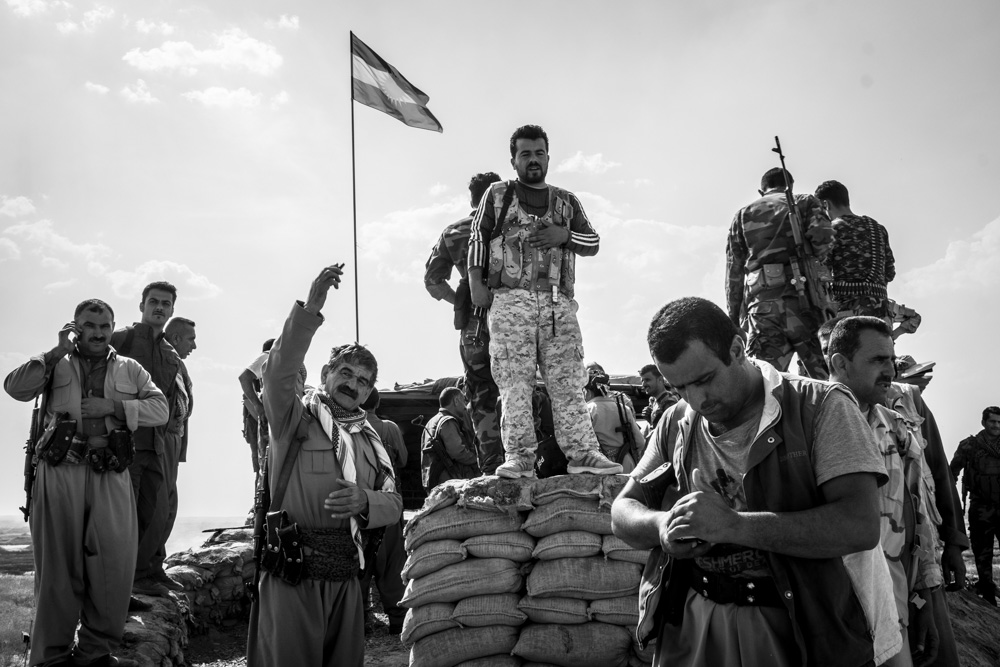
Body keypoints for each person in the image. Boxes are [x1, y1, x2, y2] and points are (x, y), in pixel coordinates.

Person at [611, 296, 894, 667]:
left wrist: (735, 527)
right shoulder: (676, 421)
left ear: (737, 348)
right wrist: (663, 525)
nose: (696, 400)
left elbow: (859, 526)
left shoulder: (820, 406)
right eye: (679, 388)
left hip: (800, 627)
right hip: (697, 622)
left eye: (705, 380)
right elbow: (622, 510)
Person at [246, 264, 402, 667]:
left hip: (346, 580)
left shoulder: (370, 440)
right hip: (293, 574)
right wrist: (310, 309)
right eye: (345, 373)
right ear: (325, 374)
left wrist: (365, 501)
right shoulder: (293, 420)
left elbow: (394, 503)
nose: (353, 384)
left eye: (363, 381)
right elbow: (278, 372)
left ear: (369, 392)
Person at [4, 298, 168, 667]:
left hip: (110, 470)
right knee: (58, 568)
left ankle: (95, 652)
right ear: (75, 327)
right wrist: (55, 351)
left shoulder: (130, 368)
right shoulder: (54, 363)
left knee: (114, 565)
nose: (98, 333)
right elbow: (15, 387)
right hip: (60, 471)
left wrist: (115, 407)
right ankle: (51, 657)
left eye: (104, 326)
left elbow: (161, 409)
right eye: (89, 325)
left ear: (112, 328)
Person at [467, 124, 621, 479]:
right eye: (525, 154)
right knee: (514, 384)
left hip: (557, 303)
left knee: (568, 382)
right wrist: (476, 283)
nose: (533, 160)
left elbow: (593, 242)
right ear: (514, 160)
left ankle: (583, 454)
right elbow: (478, 237)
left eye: (539, 153)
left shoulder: (567, 201)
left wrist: (564, 235)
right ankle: (520, 457)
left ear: (548, 157)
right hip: (511, 301)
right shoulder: (497, 195)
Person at [827, 316, 944, 665]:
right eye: (878, 360)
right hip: (829, 614)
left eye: (892, 360)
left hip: (893, 609)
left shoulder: (896, 428)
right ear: (840, 364)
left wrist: (924, 599)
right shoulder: (806, 423)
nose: (891, 371)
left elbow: (917, 519)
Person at [424, 171, 504, 474]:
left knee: (481, 394)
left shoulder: (454, 232)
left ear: (471, 200)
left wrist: (463, 300)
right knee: (521, 388)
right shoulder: (514, 226)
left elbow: (432, 281)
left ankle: (492, 466)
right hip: (516, 319)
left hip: (475, 324)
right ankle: (522, 461)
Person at [726, 167, 835, 379]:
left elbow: (734, 272)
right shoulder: (804, 202)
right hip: (804, 302)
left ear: (762, 191)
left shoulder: (742, 215)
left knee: (764, 382)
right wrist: (813, 256)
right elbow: (824, 238)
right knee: (827, 380)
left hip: (763, 309)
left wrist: (733, 320)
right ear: (790, 186)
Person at [109, 281, 182, 597]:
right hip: (122, 445)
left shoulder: (170, 354)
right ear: (142, 305)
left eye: (166, 304)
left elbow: (167, 404)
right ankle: (118, 589)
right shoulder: (120, 339)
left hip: (156, 446)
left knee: (152, 514)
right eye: (154, 301)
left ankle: (146, 574)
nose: (159, 308)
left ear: (172, 310)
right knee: (122, 520)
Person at [152, 316, 196, 596]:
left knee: (168, 505)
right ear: (176, 338)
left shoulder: (176, 361)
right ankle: (147, 572)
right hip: (161, 439)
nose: (194, 345)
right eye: (191, 339)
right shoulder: (163, 358)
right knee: (159, 508)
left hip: (172, 440)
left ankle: (155, 567)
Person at [359, 387, 407, 637]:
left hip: (360, 507)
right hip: (387, 506)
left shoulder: (346, 426)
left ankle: (359, 622)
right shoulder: (389, 428)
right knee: (392, 565)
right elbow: (404, 460)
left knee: (360, 566)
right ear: (377, 405)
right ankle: (397, 620)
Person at [814, 180, 896, 321]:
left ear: (826, 204)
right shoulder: (878, 228)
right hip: (881, 312)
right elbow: (889, 273)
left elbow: (822, 274)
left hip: (849, 313)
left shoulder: (831, 230)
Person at [950, 406, 1000, 606]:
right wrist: (950, 501)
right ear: (983, 422)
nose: (996, 425)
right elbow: (952, 473)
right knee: (982, 553)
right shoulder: (969, 446)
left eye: (999, 422)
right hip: (981, 508)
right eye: (992, 421)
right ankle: (988, 595)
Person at [584, 363, 644, 474]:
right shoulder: (624, 408)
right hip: (626, 463)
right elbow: (640, 442)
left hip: (599, 466)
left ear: (587, 390)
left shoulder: (586, 411)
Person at [421, 386, 480, 492]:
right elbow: (458, 452)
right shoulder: (448, 421)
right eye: (463, 401)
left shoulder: (431, 422)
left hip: (435, 481)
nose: (465, 406)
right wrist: (477, 460)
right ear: (456, 401)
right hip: (450, 484)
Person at [239, 339, 274, 477]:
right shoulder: (269, 356)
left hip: (273, 419)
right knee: (266, 465)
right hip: (268, 419)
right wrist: (258, 406)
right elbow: (244, 378)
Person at [638, 363, 679, 428]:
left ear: (660, 379)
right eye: (642, 381)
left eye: (647, 380)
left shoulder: (669, 403)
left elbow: (672, 431)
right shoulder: (653, 400)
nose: (643, 384)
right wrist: (650, 419)